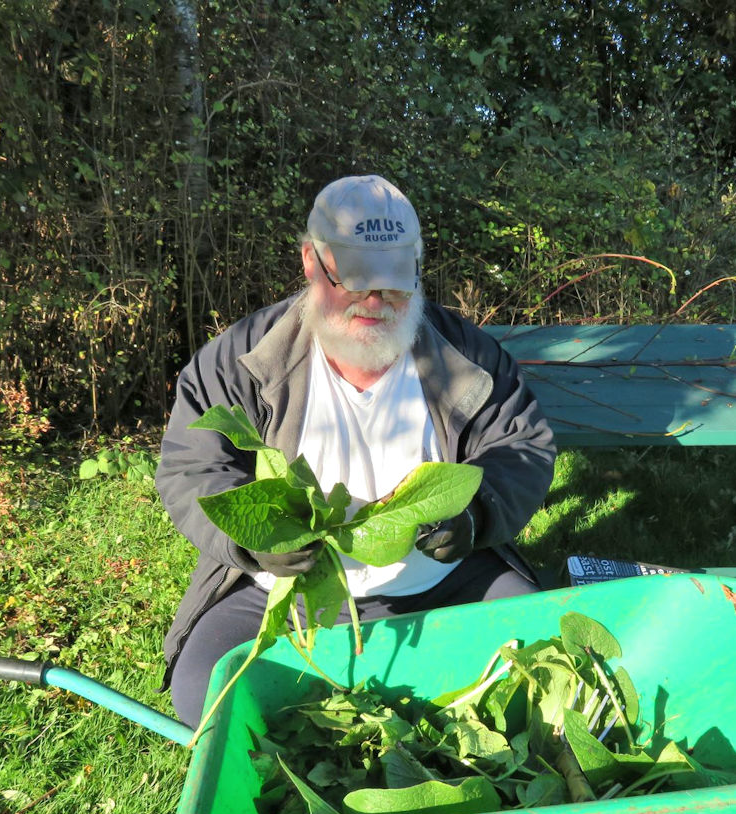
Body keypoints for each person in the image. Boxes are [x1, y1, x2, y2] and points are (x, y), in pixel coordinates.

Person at [156, 174, 556, 727]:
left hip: (442, 582)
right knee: (205, 693)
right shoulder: (241, 360)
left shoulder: (466, 356)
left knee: (545, 655)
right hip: (282, 591)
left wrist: (475, 513)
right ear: (310, 262)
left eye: (395, 285)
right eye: (356, 281)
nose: (376, 301)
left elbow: (521, 447)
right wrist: (253, 539)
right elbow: (192, 467)